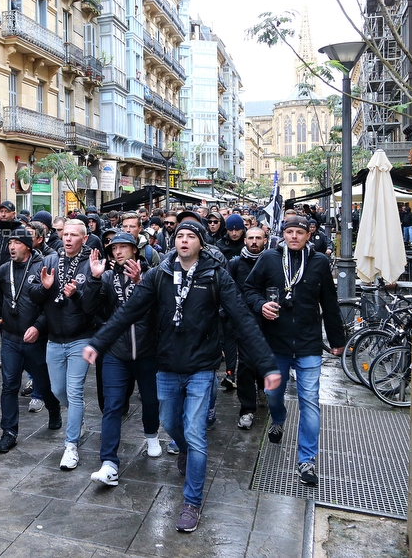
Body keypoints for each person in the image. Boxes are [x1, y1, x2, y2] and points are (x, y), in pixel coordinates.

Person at [85, 219, 280, 532]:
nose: (184, 241)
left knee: (195, 431)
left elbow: (243, 318)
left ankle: (192, 501)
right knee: (171, 423)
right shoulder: (159, 275)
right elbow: (129, 310)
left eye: (191, 236)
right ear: (174, 242)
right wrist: (99, 342)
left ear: (201, 243)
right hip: (166, 365)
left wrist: (268, 365)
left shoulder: (215, 275)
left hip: (202, 366)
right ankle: (186, 450)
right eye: (180, 236)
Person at [244, 216, 346, 488]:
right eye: (289, 232)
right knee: (273, 394)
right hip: (275, 342)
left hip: (308, 343)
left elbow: (329, 303)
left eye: (299, 232)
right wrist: (261, 305)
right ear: (283, 234)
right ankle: (278, 419)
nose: (293, 237)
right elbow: (249, 289)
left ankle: (307, 459)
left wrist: (337, 339)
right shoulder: (268, 258)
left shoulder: (319, 262)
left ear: (308, 235)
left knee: (309, 401)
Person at [87, 232, 162, 488]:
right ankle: (108, 463)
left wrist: (140, 282)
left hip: (147, 350)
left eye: (123, 247)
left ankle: (151, 434)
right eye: (114, 248)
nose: (118, 252)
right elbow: (90, 307)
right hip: (115, 353)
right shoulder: (107, 277)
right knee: (113, 405)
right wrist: (95, 279)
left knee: (151, 400)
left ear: (135, 249)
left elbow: (161, 309)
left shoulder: (152, 274)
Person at [29, 219, 105, 470]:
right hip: (53, 339)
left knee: (74, 391)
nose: (68, 238)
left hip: (80, 338)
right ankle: (77, 416)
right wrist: (45, 287)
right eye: (65, 234)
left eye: (74, 235)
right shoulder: (49, 261)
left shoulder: (90, 263)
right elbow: (35, 298)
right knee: (57, 391)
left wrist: (88, 285)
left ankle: (71, 445)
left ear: (84, 239)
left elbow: (92, 308)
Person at [0, 228, 61, 452]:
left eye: (17, 242)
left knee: (44, 383)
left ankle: (53, 407)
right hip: (9, 337)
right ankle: (9, 432)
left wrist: (38, 327)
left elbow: (52, 305)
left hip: (35, 340)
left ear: (28, 245)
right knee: (9, 385)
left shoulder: (41, 268)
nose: (11, 246)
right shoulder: (3, 270)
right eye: (10, 242)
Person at [229, 227, 268, 430]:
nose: (254, 241)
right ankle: (247, 409)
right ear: (245, 240)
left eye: (258, 238)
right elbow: (230, 291)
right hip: (244, 323)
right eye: (251, 238)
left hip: (269, 322)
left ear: (265, 240)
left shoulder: (272, 261)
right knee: (245, 365)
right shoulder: (236, 264)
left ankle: (262, 388)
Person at [0, 201, 25, 270]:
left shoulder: (21, 231)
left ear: (13, 214)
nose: (3, 214)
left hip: (14, 271)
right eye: (1, 211)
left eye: (6, 212)